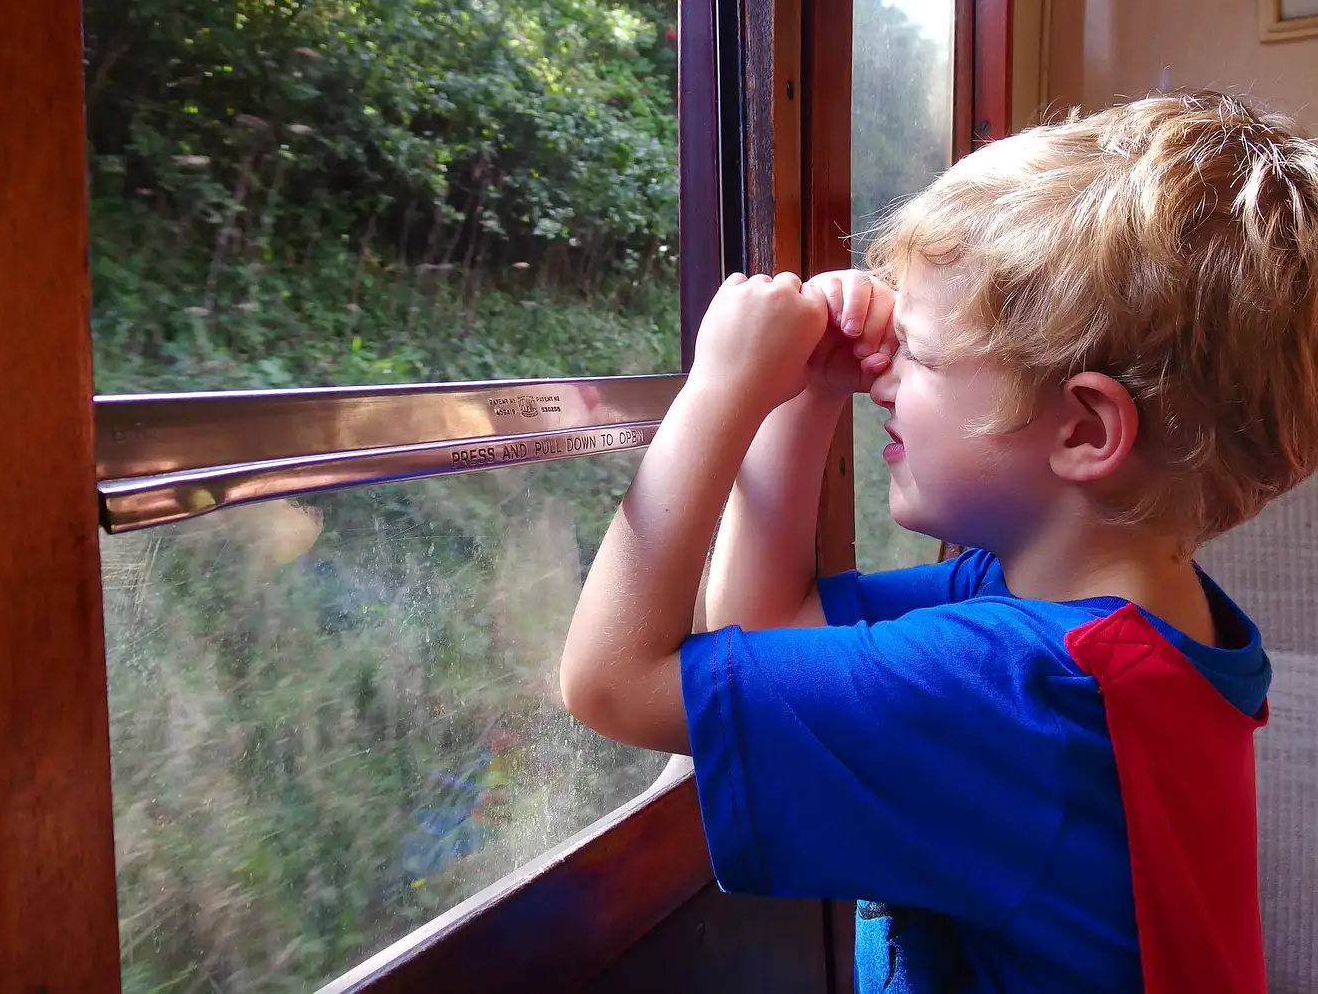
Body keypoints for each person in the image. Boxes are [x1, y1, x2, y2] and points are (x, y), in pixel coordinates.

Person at [559, 93, 1318, 992]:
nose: (882, 375)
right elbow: (770, 629)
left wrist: (720, 391)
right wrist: (805, 398)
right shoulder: (1110, 625)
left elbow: (610, 683)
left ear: (1082, 430)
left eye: (917, 353)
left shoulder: (1020, 688)